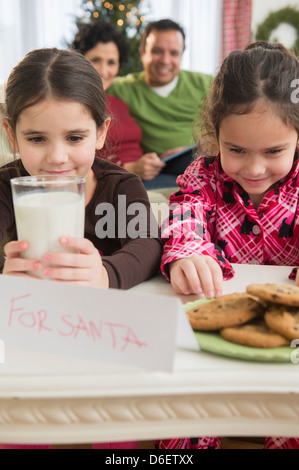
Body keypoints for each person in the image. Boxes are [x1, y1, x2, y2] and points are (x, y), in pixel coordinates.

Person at [0, 47, 163, 449]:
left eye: (75, 137)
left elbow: (148, 243)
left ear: (102, 132)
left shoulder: (119, 188)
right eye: (36, 139)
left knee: (114, 430)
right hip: (25, 343)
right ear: (10, 134)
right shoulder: (5, 190)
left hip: (101, 338)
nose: (57, 158)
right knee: (17, 426)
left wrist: (107, 274)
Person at [159, 41, 299, 450]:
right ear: (215, 132)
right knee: (178, 417)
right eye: (235, 150)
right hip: (210, 344)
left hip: (289, 351)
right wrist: (189, 250)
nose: (254, 169)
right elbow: (186, 212)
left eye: (274, 151)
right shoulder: (202, 176)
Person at [108, 18, 214, 189]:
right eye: (157, 51)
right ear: (143, 53)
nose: (165, 60)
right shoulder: (122, 88)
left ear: (181, 56)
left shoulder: (206, 84)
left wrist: (205, 148)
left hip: (204, 160)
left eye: (173, 53)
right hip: (162, 170)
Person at [71, 21, 166, 186]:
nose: (104, 71)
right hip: (116, 180)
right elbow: (76, 161)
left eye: (111, 63)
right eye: (96, 60)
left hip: (146, 176)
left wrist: (158, 160)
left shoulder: (117, 102)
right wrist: (131, 168)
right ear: (80, 60)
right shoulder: (75, 106)